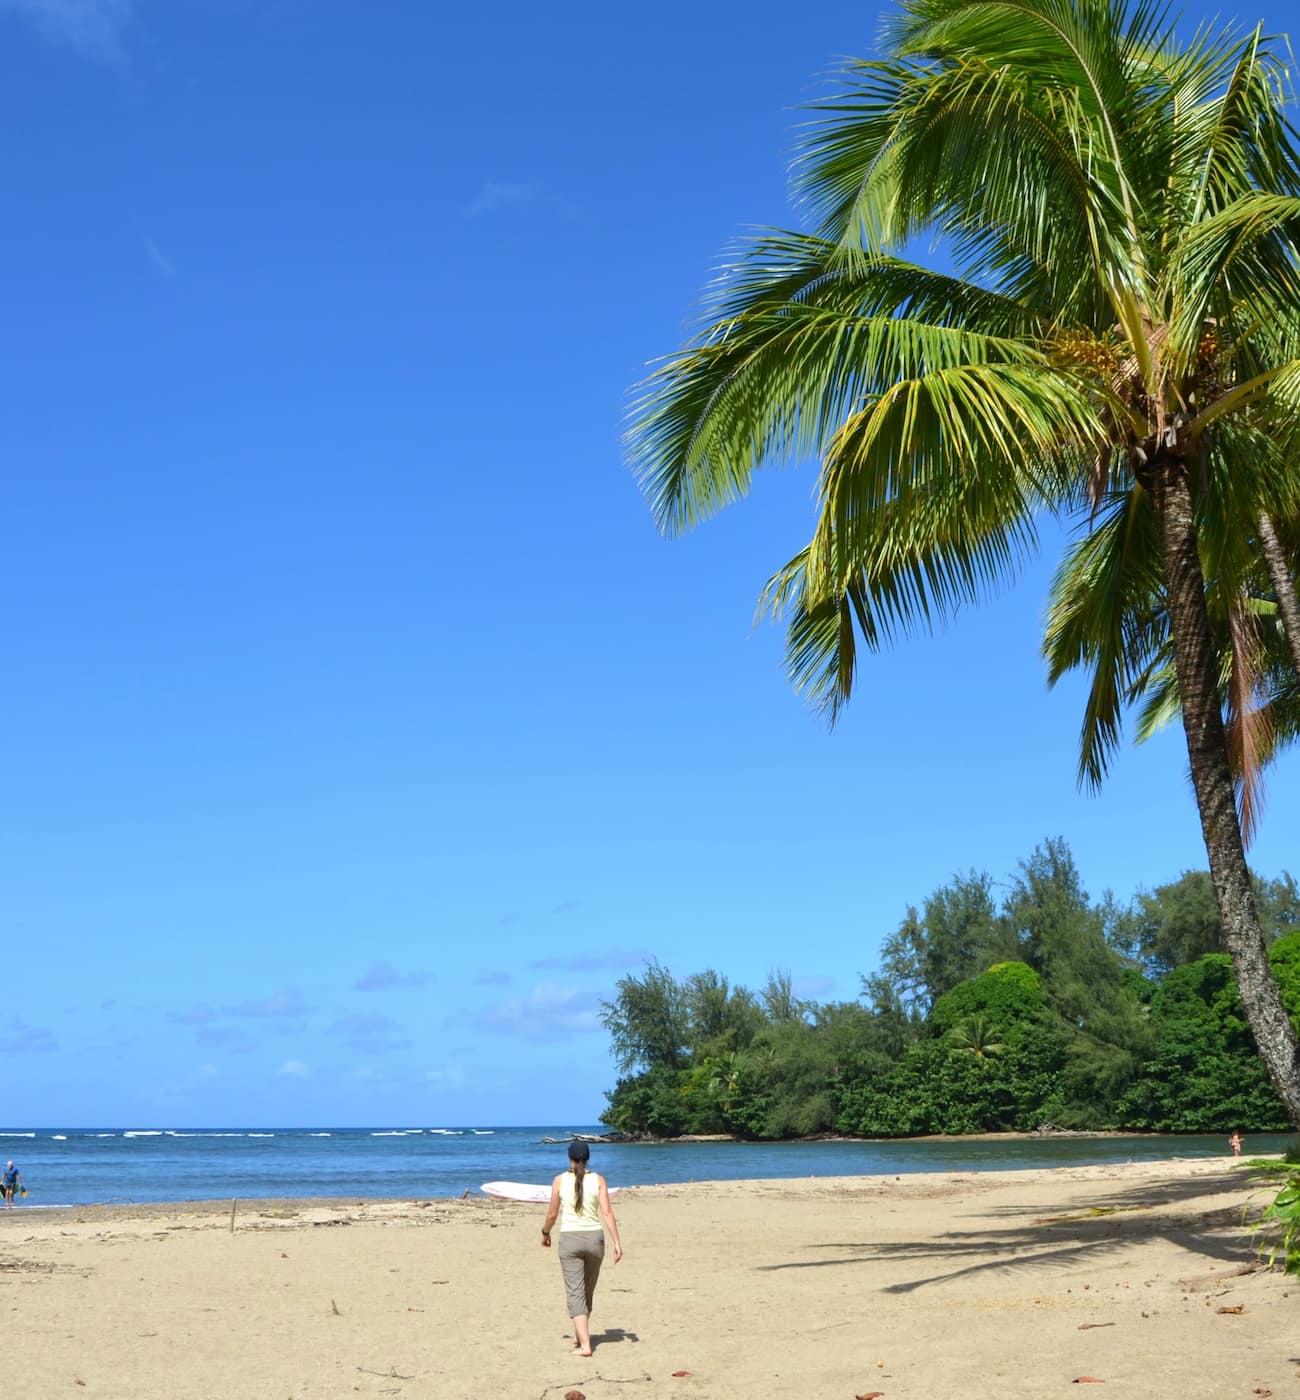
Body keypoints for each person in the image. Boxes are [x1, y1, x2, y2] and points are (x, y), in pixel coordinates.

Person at [540, 1141, 623, 1357]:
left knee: (575, 1292)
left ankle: (586, 1346)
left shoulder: (559, 1180)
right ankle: (580, 1334)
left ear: (570, 1158)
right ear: (588, 1158)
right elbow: (607, 1213)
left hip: (570, 1240)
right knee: (587, 1290)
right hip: (595, 1239)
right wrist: (617, 1242)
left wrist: (545, 1233)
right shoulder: (599, 1180)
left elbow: (551, 1214)